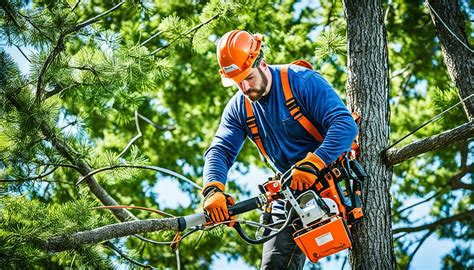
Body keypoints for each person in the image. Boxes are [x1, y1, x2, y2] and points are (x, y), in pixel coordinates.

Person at [201, 30, 358, 269]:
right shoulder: (239, 108)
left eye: (249, 78)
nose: (244, 87)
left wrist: (314, 163)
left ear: (262, 63)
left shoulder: (301, 81)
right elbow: (220, 149)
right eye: (237, 82)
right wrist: (213, 188)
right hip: (291, 193)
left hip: (333, 176)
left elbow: (344, 125)